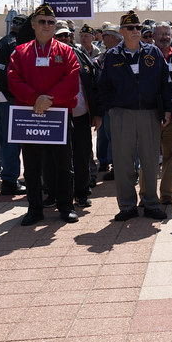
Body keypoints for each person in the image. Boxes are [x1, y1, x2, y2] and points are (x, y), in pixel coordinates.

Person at [7, 4, 81, 225]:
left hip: (58, 117)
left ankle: (66, 206)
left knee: (63, 165)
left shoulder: (66, 51)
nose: (47, 26)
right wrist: (34, 99)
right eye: (42, 21)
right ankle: (34, 208)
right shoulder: (20, 52)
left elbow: (71, 80)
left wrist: (46, 100)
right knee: (31, 167)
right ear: (33, 24)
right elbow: (13, 79)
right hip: (29, 117)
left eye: (50, 22)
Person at [98, 10, 172, 222]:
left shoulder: (153, 53)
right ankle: (127, 206)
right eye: (130, 28)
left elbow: (165, 83)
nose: (135, 31)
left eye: (138, 28)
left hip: (149, 113)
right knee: (123, 163)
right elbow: (102, 87)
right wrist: (110, 109)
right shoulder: (112, 56)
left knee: (150, 161)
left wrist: (167, 109)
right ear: (121, 31)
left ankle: (150, 203)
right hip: (122, 114)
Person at [147, 22, 172, 205]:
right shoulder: (145, 56)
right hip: (150, 116)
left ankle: (166, 193)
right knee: (148, 157)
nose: (164, 37)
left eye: (167, 34)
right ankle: (146, 194)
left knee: (171, 158)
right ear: (153, 35)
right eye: (160, 34)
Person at [0, 14, 28, 196]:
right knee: (12, 141)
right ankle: (10, 180)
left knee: (5, 140)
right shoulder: (15, 44)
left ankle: (8, 177)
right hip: (10, 99)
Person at [66, 24, 101, 208]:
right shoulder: (46, 56)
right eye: (60, 35)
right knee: (58, 159)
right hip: (57, 116)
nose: (64, 38)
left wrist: (96, 114)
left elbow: (93, 83)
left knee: (82, 155)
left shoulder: (80, 55)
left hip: (80, 115)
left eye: (67, 35)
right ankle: (57, 193)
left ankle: (82, 192)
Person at [96, 25, 121, 180]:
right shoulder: (105, 55)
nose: (102, 38)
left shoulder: (120, 53)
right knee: (107, 135)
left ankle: (117, 167)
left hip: (117, 104)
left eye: (105, 35)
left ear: (113, 37)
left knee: (117, 137)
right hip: (107, 104)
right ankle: (110, 163)